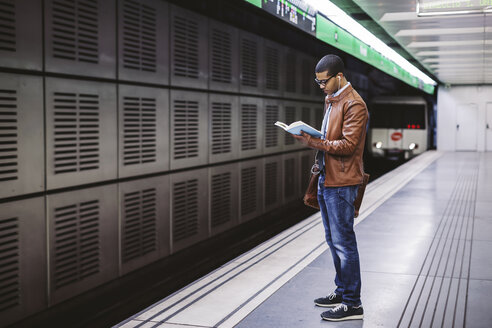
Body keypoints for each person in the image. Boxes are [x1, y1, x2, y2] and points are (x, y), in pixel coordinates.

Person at [293, 54, 368, 322]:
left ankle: (352, 303)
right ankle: (342, 291)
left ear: (339, 77)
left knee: (344, 242)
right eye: (318, 81)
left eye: (324, 81)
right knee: (333, 240)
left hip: (342, 182)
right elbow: (330, 138)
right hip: (327, 178)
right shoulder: (332, 100)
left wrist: (313, 142)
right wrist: (315, 137)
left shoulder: (354, 104)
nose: (321, 86)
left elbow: (347, 146)